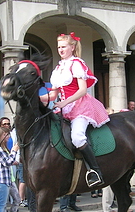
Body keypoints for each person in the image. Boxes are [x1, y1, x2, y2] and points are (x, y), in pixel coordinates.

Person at [42, 32, 109, 187]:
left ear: (72, 47)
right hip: (65, 108)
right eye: (59, 47)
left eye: (63, 46)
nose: (60, 49)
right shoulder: (59, 68)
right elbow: (53, 95)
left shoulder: (76, 64)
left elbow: (82, 90)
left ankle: (95, 171)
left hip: (80, 106)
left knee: (78, 137)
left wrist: (64, 102)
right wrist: (37, 98)